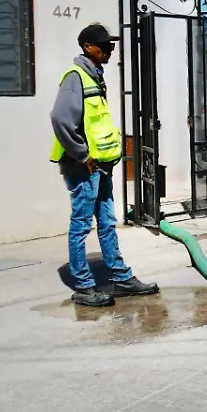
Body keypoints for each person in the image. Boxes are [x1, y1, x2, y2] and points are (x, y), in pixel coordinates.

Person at [50, 23, 159, 308]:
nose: (110, 49)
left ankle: (121, 278)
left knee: (107, 223)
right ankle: (84, 287)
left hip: (101, 165)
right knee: (81, 224)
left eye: (111, 45)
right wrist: (82, 154)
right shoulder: (76, 77)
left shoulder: (95, 76)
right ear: (87, 47)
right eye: (104, 45)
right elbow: (61, 119)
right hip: (83, 166)